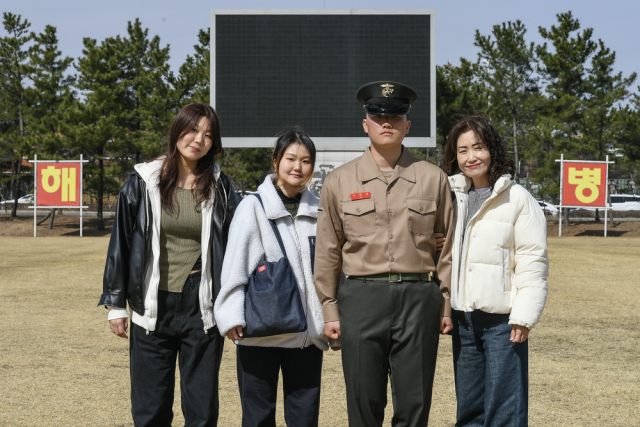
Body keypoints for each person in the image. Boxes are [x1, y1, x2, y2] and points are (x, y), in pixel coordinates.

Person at [314, 81, 454, 427]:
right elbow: (328, 250)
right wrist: (330, 309)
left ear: (409, 124)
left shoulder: (433, 178)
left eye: (396, 115)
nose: (387, 122)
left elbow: (448, 247)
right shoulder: (339, 181)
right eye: (378, 116)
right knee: (363, 403)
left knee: (414, 403)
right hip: (361, 298)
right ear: (366, 124)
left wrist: (446, 302)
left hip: (419, 298)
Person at [98, 103, 241, 427]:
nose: (198, 139)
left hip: (201, 305)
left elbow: (237, 244)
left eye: (207, 135)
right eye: (192, 129)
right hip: (152, 303)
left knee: (202, 411)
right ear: (178, 130)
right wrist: (116, 304)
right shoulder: (142, 181)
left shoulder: (221, 187)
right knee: (150, 410)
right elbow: (120, 242)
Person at [214, 127, 330, 427]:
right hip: (260, 335)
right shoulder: (252, 206)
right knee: (257, 417)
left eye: (306, 161)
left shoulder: (321, 210)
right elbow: (235, 265)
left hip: (306, 335)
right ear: (275, 161)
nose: (298, 167)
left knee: (304, 418)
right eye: (290, 158)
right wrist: (230, 314)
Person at [442, 113, 548, 427]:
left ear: (493, 150)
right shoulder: (453, 198)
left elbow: (533, 262)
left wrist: (524, 316)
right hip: (464, 319)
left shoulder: (518, 199)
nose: (471, 157)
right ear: (454, 156)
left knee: (505, 411)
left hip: (503, 323)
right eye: (462, 150)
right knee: (470, 411)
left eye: (478, 147)